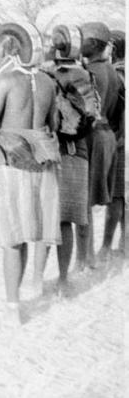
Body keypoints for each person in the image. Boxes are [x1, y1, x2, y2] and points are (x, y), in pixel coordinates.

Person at [0, 23, 61, 324]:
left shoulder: (6, 81)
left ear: (9, 49)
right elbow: (52, 123)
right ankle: (30, 287)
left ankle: (14, 307)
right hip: (41, 162)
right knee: (32, 231)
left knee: (13, 238)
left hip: (11, 163)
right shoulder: (48, 82)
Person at [32, 24, 95, 296]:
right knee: (61, 220)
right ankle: (59, 280)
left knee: (52, 219)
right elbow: (93, 114)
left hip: (58, 151)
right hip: (70, 152)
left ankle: (43, 279)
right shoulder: (81, 74)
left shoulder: (49, 74)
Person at [76, 22, 121, 271]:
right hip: (107, 135)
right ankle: (89, 255)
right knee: (90, 199)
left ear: (93, 44)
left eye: (82, 39)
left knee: (82, 200)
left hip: (92, 135)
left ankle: (85, 257)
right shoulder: (112, 71)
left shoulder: (89, 72)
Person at [99, 30, 125, 259]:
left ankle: (107, 246)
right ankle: (124, 241)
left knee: (116, 196)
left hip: (119, 140)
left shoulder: (115, 75)